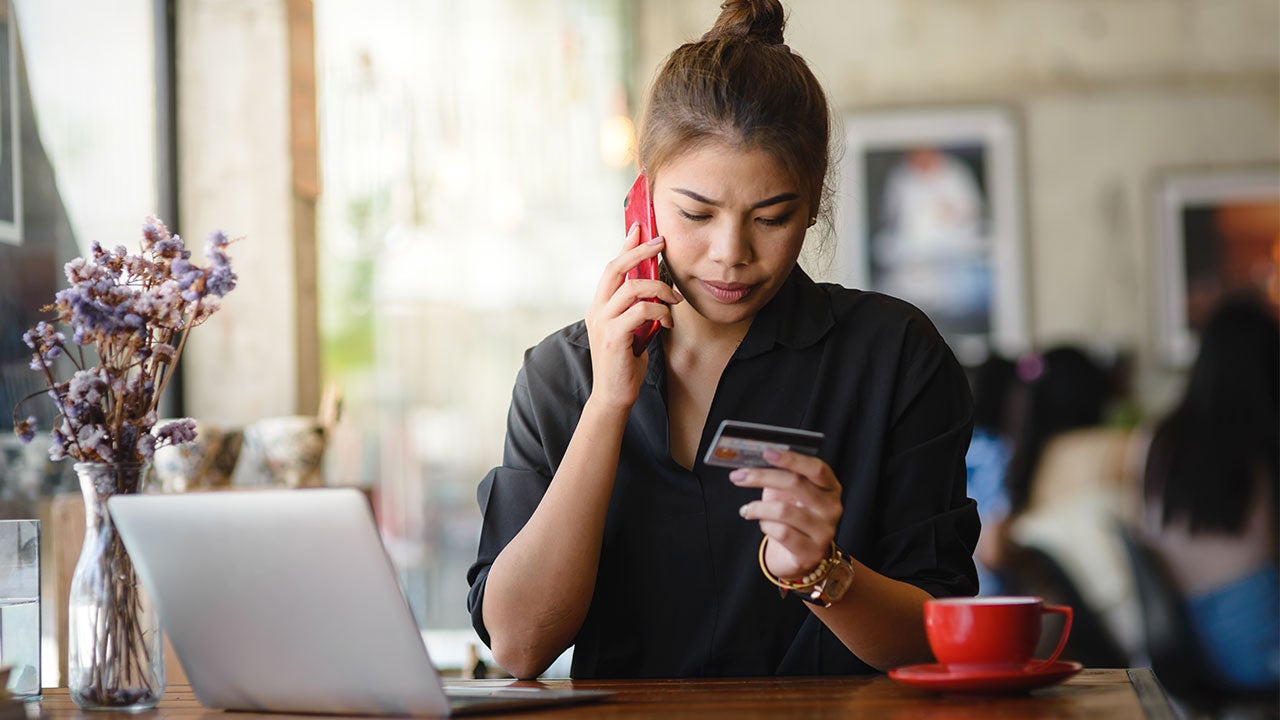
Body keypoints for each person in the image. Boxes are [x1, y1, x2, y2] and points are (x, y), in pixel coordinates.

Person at [466, 0, 978, 680]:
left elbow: (936, 637)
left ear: (814, 203)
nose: (730, 254)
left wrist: (825, 573)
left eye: (771, 216)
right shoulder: (562, 375)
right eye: (695, 213)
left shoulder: (895, 358)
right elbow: (520, 646)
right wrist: (607, 406)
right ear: (642, 198)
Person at [1139, 294, 1279, 692]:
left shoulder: (1159, 439)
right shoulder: (1261, 443)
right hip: (1255, 643)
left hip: (1182, 642)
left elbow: (1144, 527)